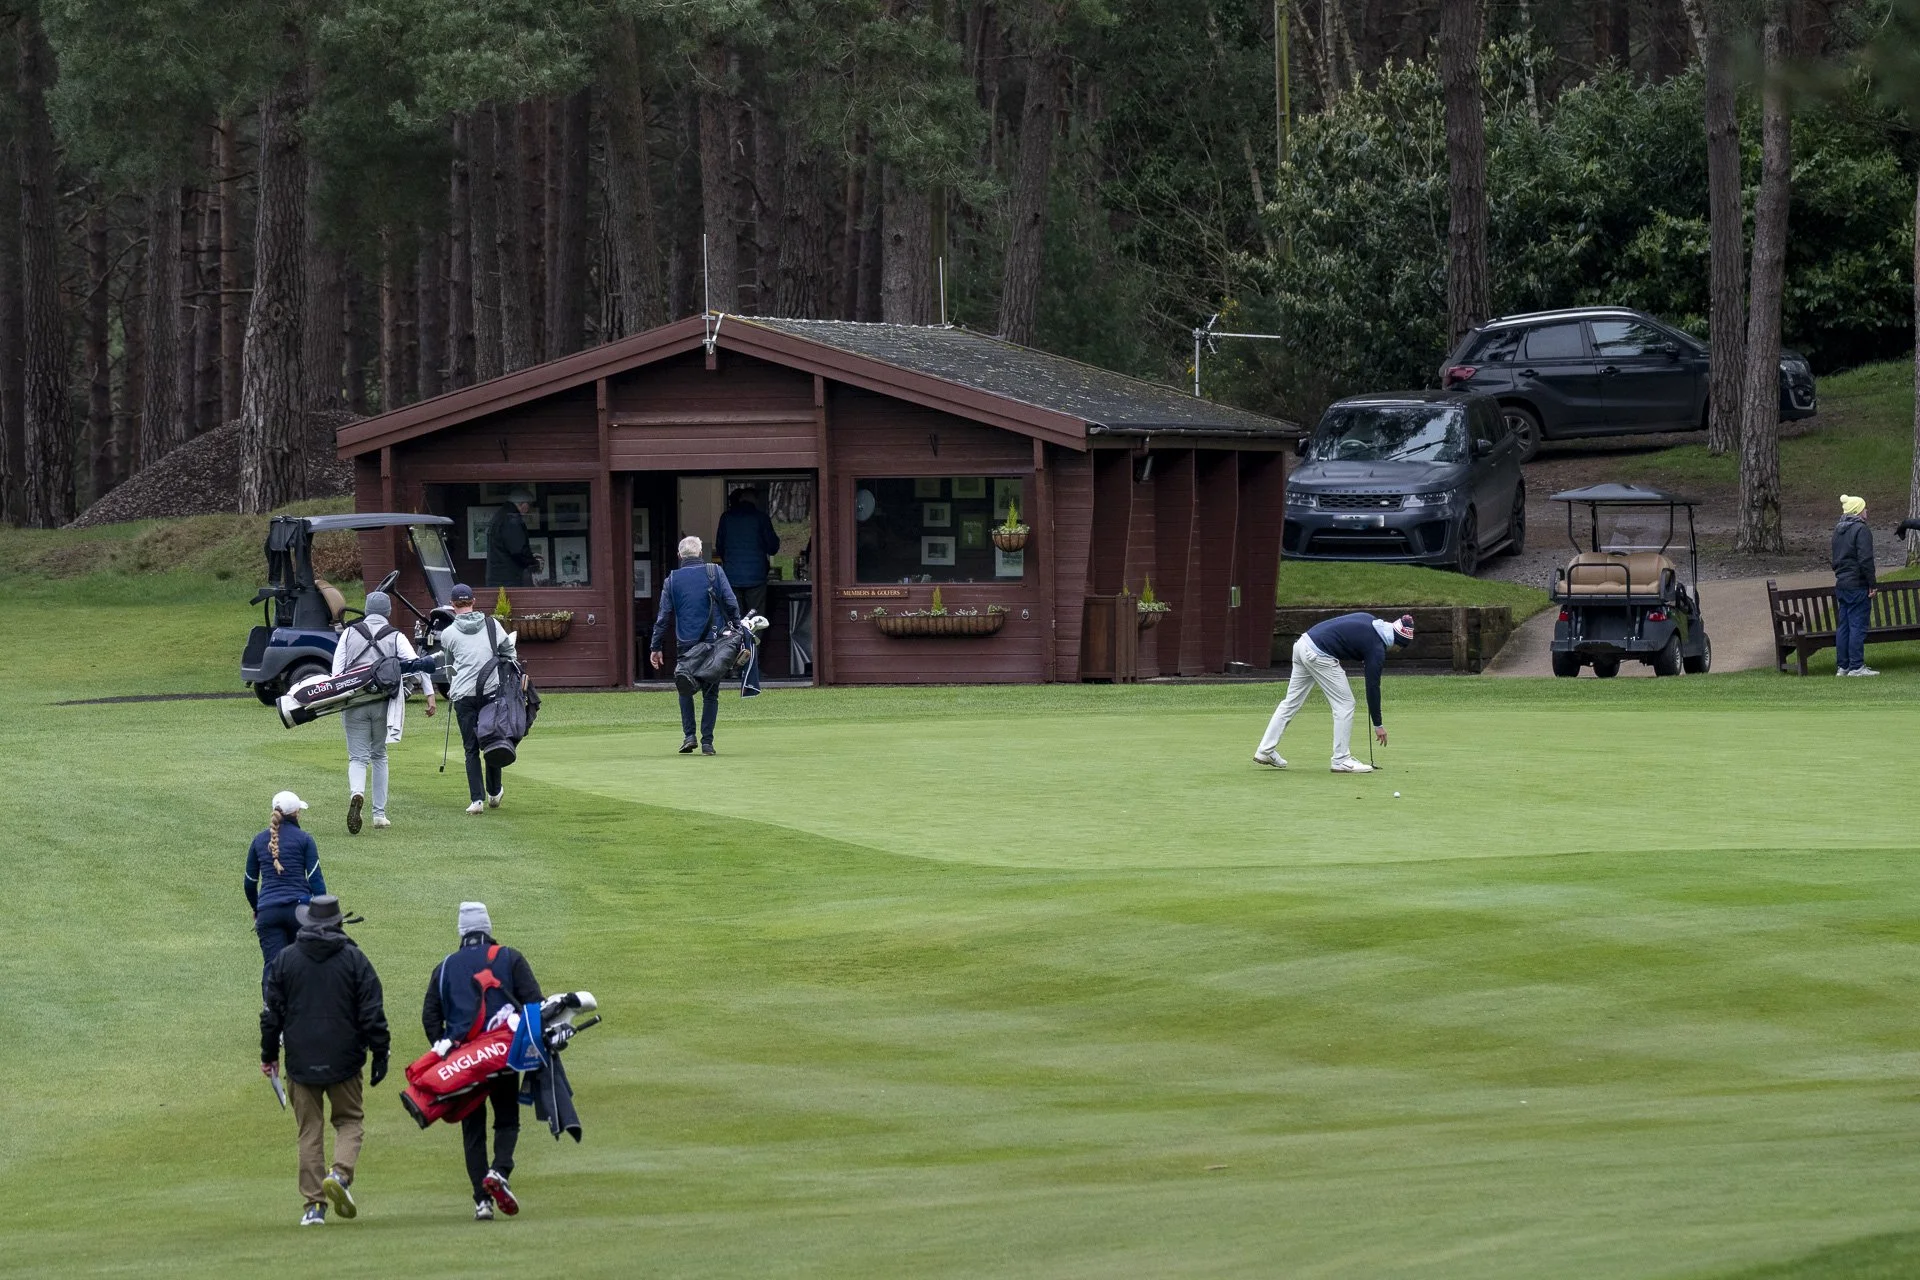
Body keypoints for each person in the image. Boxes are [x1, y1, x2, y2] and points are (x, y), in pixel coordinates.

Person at [260, 894, 390, 1227]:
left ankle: (313, 1207)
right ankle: (341, 1175)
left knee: (309, 1131)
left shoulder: (286, 960)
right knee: (348, 1120)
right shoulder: (354, 959)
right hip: (345, 1058)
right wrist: (380, 1053)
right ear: (338, 925)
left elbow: (271, 1014)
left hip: (301, 1060)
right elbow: (372, 1010)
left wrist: (269, 1055)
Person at [422, 902, 543, 1221]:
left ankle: (482, 1202)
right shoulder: (510, 957)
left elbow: (430, 1016)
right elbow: (535, 1005)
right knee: (507, 1119)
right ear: (487, 928)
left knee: (472, 1130)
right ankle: (500, 1170)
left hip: (465, 1061)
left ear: (461, 932)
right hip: (502, 1055)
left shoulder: (445, 966)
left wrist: (445, 1051)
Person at [331, 590, 437, 833]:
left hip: (355, 701)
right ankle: (379, 814)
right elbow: (416, 665)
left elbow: (336, 673)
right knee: (379, 755)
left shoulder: (349, 632)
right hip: (383, 704)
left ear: (367, 610)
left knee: (357, 757)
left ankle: (357, 793)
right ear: (388, 612)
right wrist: (429, 695)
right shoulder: (396, 635)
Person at [1255, 613, 1415, 773]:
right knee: (1345, 704)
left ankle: (1265, 750)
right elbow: (1373, 687)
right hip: (1319, 654)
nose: (1397, 650)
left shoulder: (1370, 620)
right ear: (1397, 641)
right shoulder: (1377, 648)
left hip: (1302, 644)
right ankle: (1341, 759)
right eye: (1399, 647)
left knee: (1290, 703)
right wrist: (1378, 725)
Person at [649, 536, 741, 755]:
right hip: (714, 640)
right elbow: (731, 602)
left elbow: (663, 618)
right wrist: (738, 628)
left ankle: (689, 736)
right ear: (701, 554)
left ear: (680, 556)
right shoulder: (715, 572)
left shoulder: (672, 580)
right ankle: (707, 742)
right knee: (711, 693)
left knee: (685, 688)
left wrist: (656, 646)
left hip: (686, 644)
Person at [437, 583, 518, 814]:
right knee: (492, 741)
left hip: (463, 695)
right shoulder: (493, 625)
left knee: (471, 748)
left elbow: (450, 665)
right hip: (491, 693)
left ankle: (477, 800)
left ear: (453, 605)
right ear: (473, 602)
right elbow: (509, 653)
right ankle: (494, 792)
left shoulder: (449, 633)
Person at [246, 791, 327, 993]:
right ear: (297, 813)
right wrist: (324, 914)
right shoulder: (305, 839)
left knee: (273, 965)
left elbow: (249, 883)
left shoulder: (258, 841)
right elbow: (316, 880)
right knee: (302, 964)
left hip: (268, 913)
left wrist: (257, 908)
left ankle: (271, 1012)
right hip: (300, 912)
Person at [713, 488, 781, 617]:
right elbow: (773, 547)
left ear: (740, 499)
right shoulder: (761, 518)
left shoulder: (726, 518)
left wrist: (729, 562)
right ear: (755, 500)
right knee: (756, 618)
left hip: (731, 576)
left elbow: (720, 547)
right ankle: (753, 637)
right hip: (756, 576)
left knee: (734, 616)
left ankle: (737, 638)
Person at [1833, 494, 1878, 677]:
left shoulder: (1838, 530)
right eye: (1864, 508)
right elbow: (1865, 559)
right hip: (1857, 584)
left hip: (1842, 583)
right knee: (1857, 626)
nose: (1866, 510)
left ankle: (1843, 666)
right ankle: (1857, 666)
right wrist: (1872, 583)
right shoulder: (1861, 530)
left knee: (1844, 626)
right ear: (1858, 511)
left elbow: (1835, 558)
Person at [487, 489, 540, 588]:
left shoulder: (501, 516)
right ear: (523, 505)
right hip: (509, 579)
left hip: (499, 577)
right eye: (529, 505)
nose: (529, 509)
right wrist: (532, 562)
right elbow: (518, 550)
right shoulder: (512, 520)